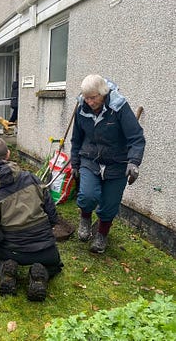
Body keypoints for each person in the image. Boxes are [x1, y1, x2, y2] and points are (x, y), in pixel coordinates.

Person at [0, 137, 63, 301]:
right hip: (45, 250)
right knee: (54, 264)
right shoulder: (32, 179)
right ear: (8, 154)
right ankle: (42, 273)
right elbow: (52, 215)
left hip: (11, 251)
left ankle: (5, 269)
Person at [70, 74, 145, 254]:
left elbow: (136, 138)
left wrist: (133, 162)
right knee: (88, 195)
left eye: (93, 97)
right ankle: (85, 219)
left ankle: (102, 235)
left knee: (110, 203)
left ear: (103, 93)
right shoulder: (82, 108)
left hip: (117, 162)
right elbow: (76, 139)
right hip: (90, 158)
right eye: (86, 97)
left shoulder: (119, 107)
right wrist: (75, 163)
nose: (89, 102)